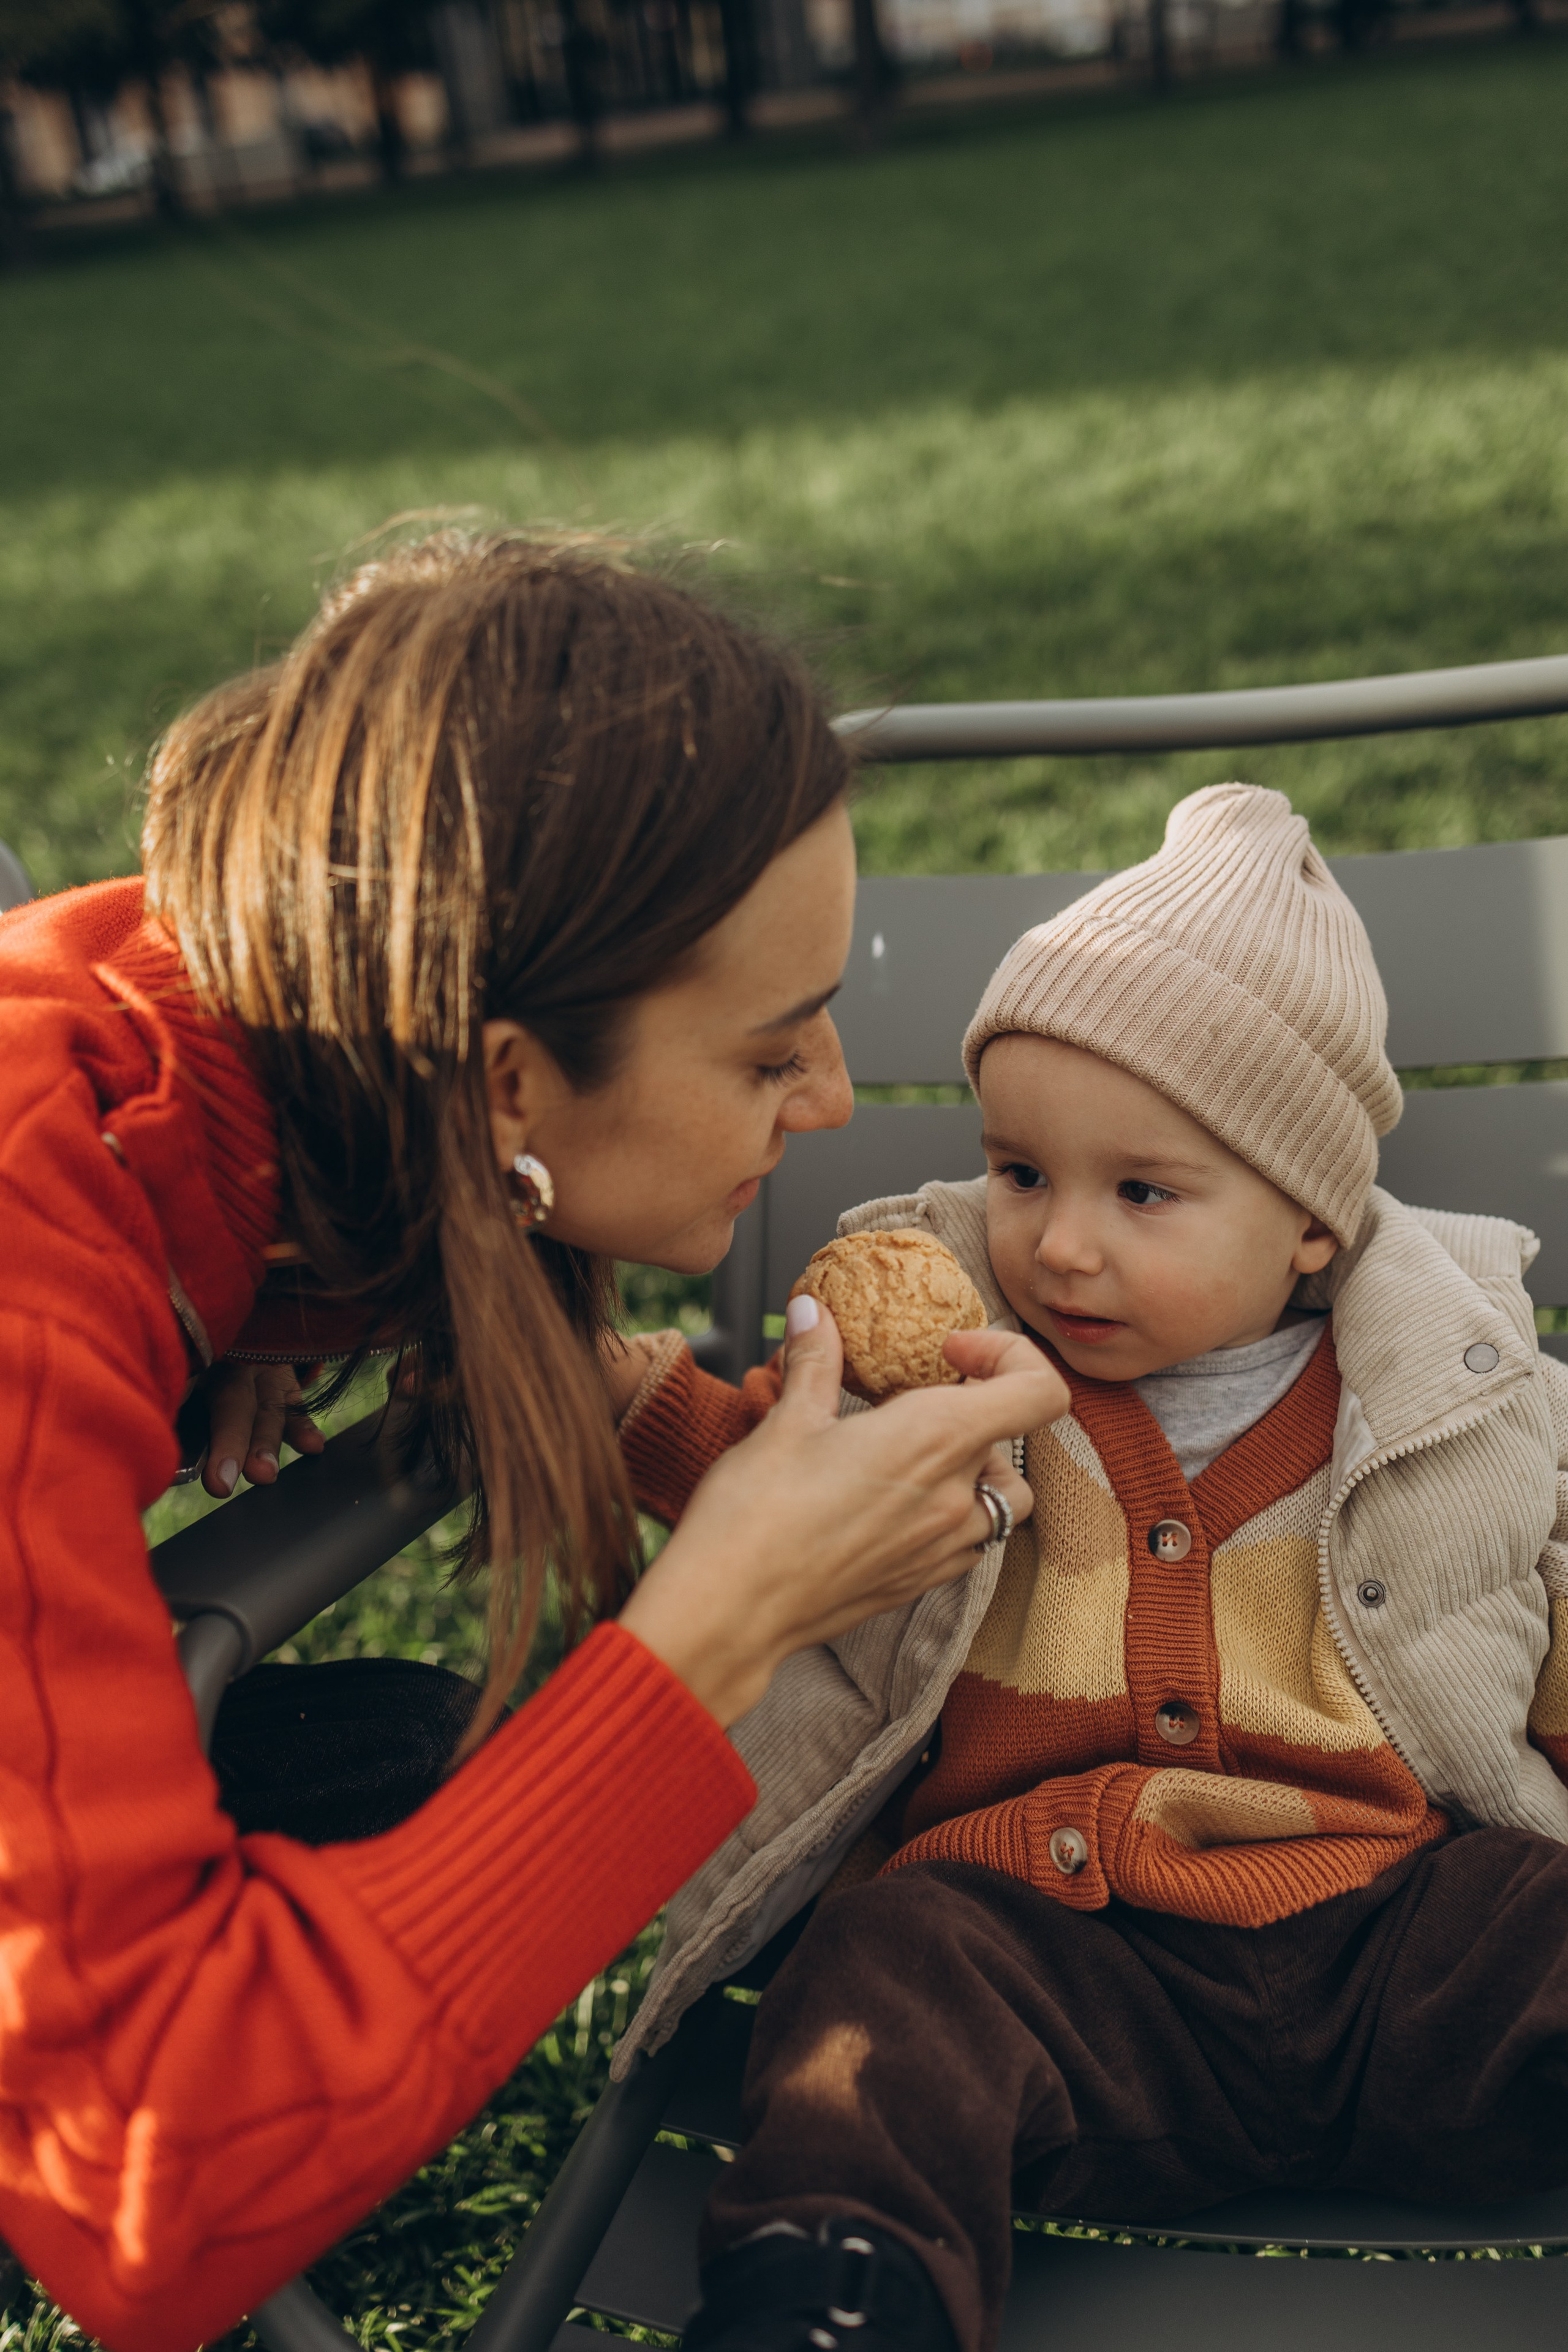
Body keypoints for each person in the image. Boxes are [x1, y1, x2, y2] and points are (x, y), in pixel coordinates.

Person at [0, 531, 1063, 2352]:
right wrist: (713, 1622)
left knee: (397, 1793)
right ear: (503, 1086)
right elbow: (147, 2188)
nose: (829, 1099)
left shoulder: (271, 1048)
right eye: (767, 1053)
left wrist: (308, 1297)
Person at [603, 783, 1568, 2352]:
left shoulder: (1461, 1401)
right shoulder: (950, 1383)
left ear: (1311, 1222)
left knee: (1539, 1926)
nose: (1057, 1245)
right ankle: (836, 2295)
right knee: (884, 1981)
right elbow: (773, 1497)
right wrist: (627, 1407)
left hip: (1389, 1940)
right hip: (1046, 1955)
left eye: (1140, 1194)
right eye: (1018, 1173)